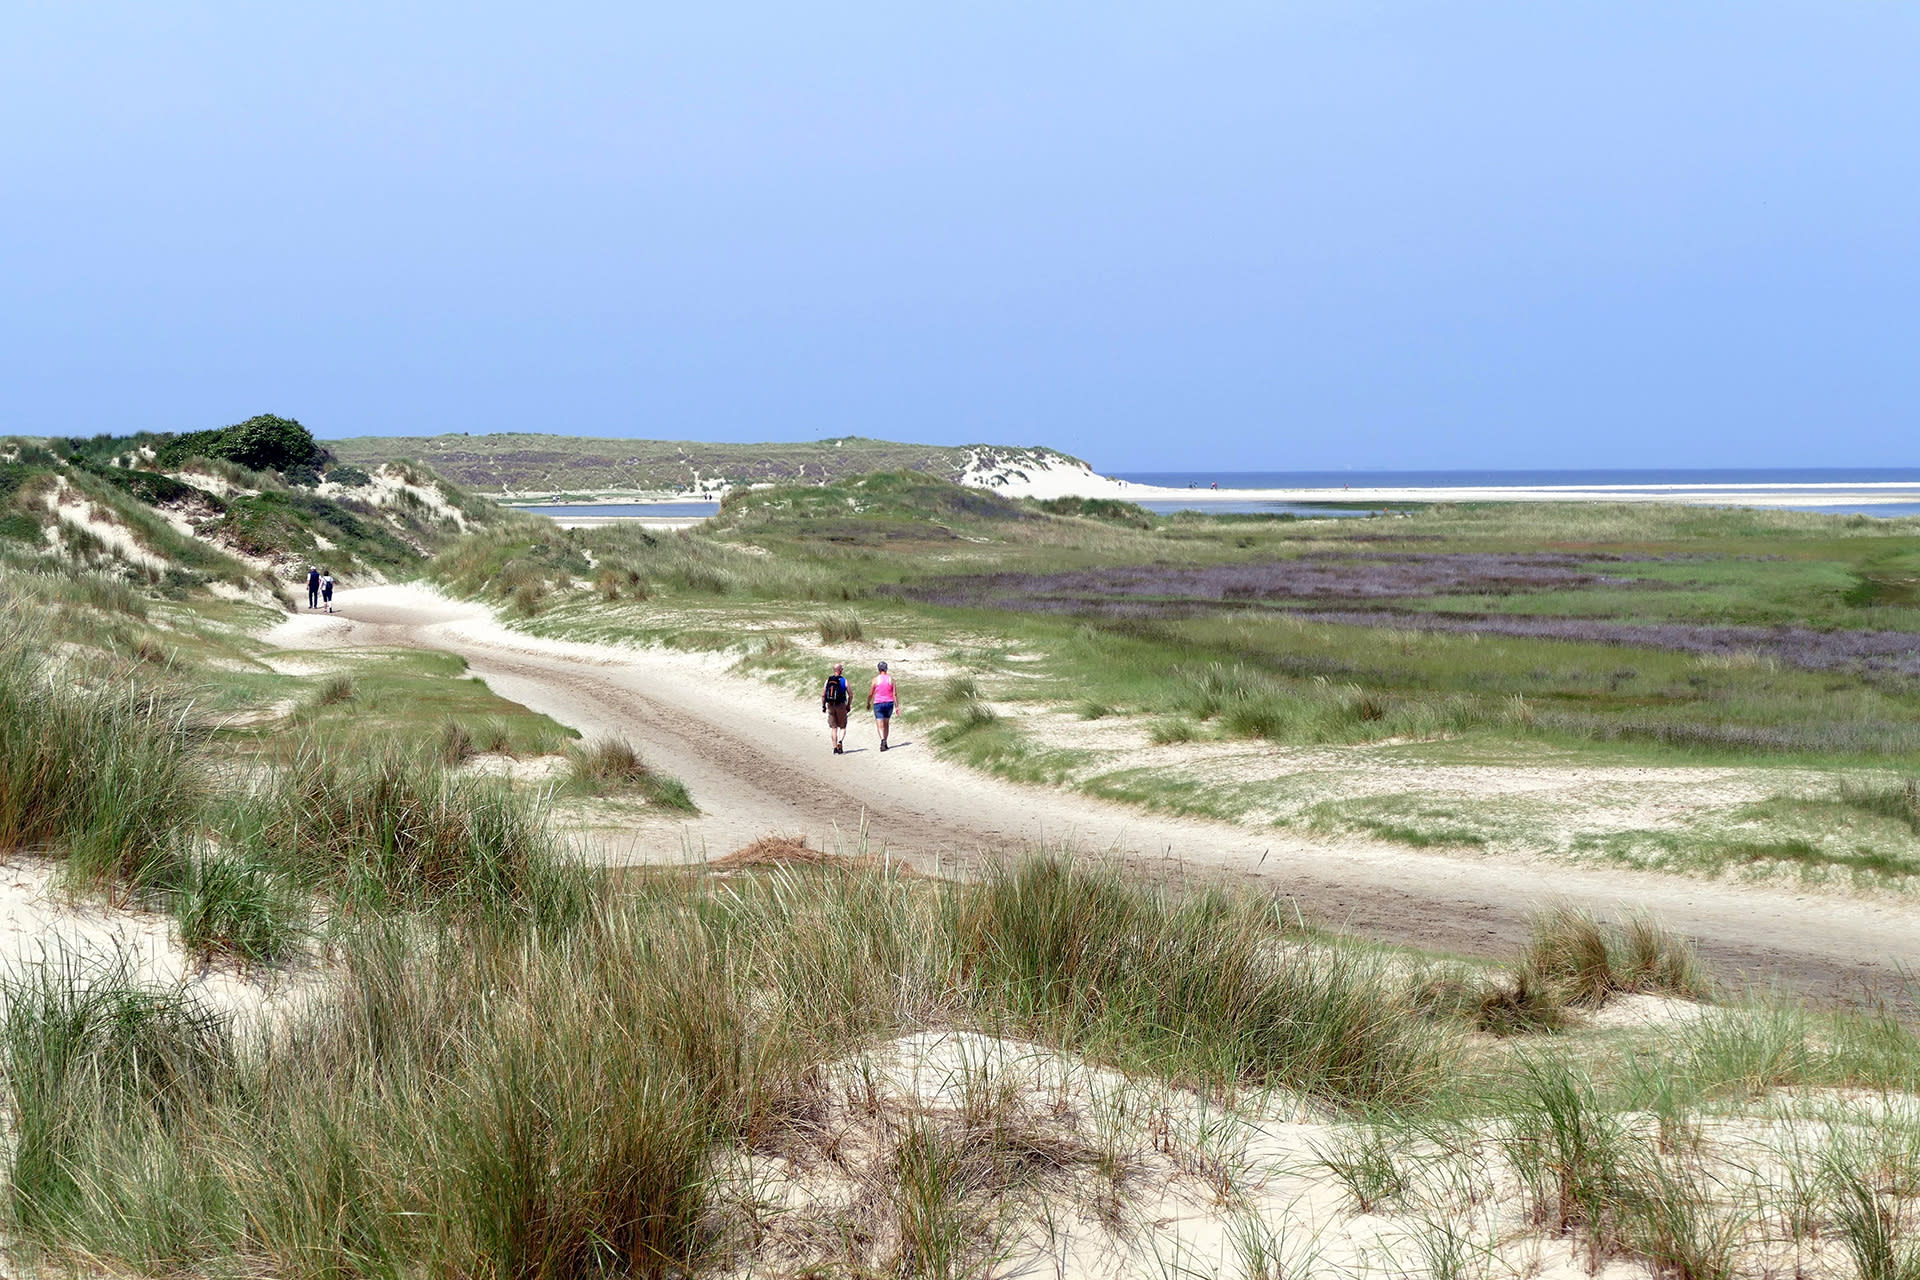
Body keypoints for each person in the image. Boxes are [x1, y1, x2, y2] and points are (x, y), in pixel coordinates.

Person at [867, 660, 897, 752]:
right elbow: (894, 694)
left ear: (879, 669)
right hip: (889, 703)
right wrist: (897, 706)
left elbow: (871, 693)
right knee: (886, 723)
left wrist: (868, 702)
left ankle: (882, 740)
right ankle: (885, 741)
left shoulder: (876, 680)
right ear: (886, 669)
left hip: (878, 703)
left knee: (880, 724)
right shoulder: (891, 679)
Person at [821, 662, 850, 754]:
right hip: (841, 705)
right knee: (843, 726)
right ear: (840, 670)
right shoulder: (844, 681)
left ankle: (834, 747)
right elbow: (851, 694)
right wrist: (848, 705)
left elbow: (823, 695)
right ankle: (840, 741)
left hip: (830, 705)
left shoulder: (828, 680)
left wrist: (823, 706)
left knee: (834, 727)